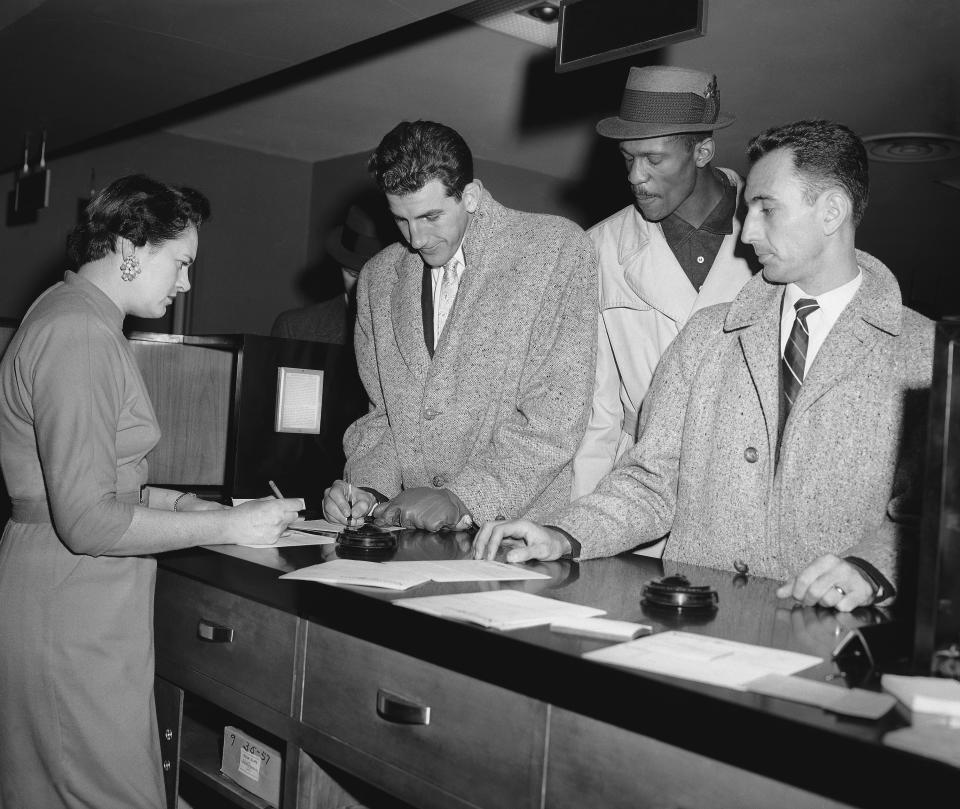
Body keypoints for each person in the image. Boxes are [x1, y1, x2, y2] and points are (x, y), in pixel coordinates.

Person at [474, 120, 934, 613]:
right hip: (696, 623)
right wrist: (564, 534)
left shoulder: (925, 352)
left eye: (766, 209)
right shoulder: (705, 336)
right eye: (747, 208)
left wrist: (871, 567)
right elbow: (652, 481)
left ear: (832, 211)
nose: (748, 231)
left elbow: (931, 513)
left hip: (834, 638)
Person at [0, 175, 302, 809]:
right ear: (130, 246)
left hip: (76, 592)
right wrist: (228, 528)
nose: (186, 283)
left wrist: (192, 506)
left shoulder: (78, 316)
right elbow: (86, 520)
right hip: (73, 598)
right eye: (182, 262)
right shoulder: (78, 333)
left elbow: (104, 479)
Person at [322, 120, 597, 531]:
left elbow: (554, 417)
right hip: (410, 539)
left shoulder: (556, 250)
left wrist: (465, 499)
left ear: (470, 196)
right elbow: (382, 416)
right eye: (401, 219)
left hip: (518, 535)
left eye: (431, 216)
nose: (416, 238)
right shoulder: (378, 278)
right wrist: (368, 492)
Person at [570, 66, 757, 558]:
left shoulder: (772, 237)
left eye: (653, 158)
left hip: (747, 497)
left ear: (702, 151)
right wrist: (579, 534)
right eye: (627, 158)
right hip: (636, 504)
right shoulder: (598, 249)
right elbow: (598, 415)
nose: (636, 177)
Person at [270, 202, 387, 344]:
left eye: (373, 277)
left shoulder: (413, 327)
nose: (360, 288)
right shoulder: (295, 330)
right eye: (353, 275)